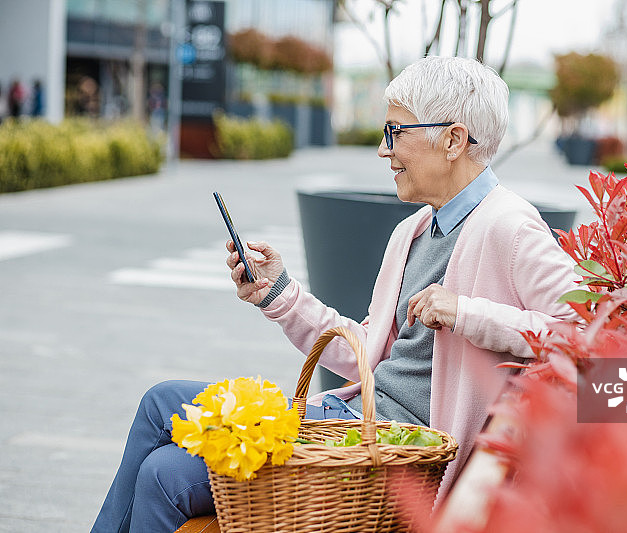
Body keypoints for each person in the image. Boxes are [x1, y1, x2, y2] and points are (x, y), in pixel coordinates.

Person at [91, 56, 581, 533]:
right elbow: (367, 352)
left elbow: (588, 335)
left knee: (165, 471)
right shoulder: (414, 231)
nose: (384, 151)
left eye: (395, 132)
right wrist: (277, 294)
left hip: (390, 457)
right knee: (161, 429)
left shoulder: (510, 227)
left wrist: (467, 312)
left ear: (453, 139)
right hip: (348, 421)